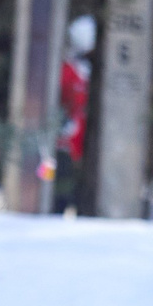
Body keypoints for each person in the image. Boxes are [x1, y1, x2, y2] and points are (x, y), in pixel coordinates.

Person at [52, 13, 93, 216]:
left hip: (84, 146)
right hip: (65, 145)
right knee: (59, 189)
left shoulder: (91, 71)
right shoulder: (66, 69)